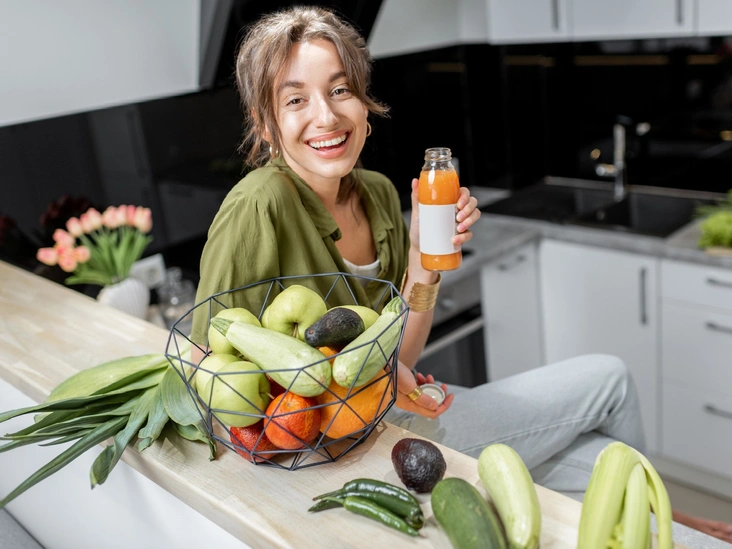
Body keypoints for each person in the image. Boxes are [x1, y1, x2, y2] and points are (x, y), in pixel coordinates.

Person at [190, 6, 732, 543]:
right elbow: (205, 374)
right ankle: (671, 521)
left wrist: (424, 260)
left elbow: (401, 356)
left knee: (600, 460)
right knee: (610, 378)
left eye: (339, 90)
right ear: (265, 122)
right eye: (295, 99)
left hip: (395, 421)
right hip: (351, 452)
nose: (327, 116)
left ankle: (669, 524)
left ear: (362, 99)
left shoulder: (377, 193)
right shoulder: (258, 205)